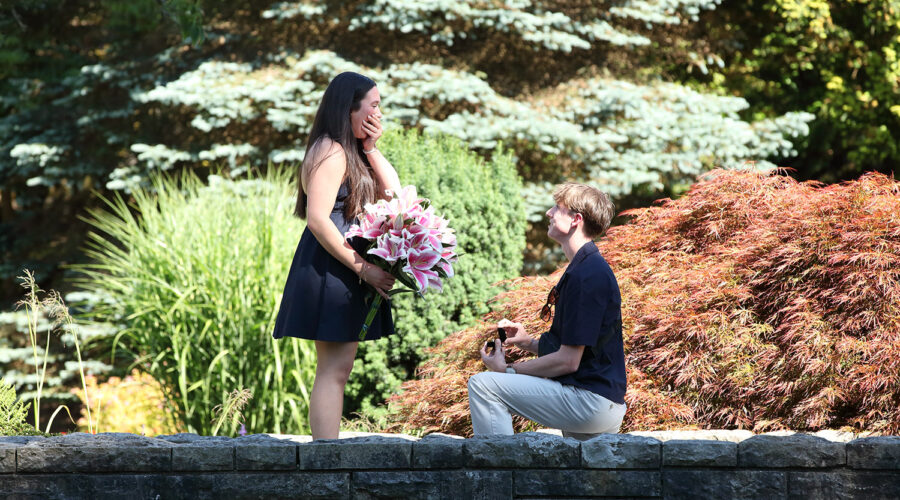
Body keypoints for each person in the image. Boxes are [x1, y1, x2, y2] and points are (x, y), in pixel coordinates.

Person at [272, 72, 401, 440]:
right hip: (333, 266)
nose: (379, 112)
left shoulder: (354, 150)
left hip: (344, 266)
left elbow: (396, 195)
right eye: (373, 105)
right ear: (350, 108)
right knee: (333, 368)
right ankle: (325, 457)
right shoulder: (330, 151)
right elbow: (317, 219)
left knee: (338, 367)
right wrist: (365, 270)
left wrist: (373, 147)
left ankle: (325, 453)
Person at [467, 182, 627, 440]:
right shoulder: (585, 269)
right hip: (597, 400)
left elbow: (568, 361)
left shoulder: (588, 276)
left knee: (484, 386)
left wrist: (508, 371)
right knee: (579, 480)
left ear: (576, 220)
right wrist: (528, 342)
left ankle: (499, 475)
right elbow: (581, 351)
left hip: (589, 401)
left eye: (557, 208)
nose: (548, 213)